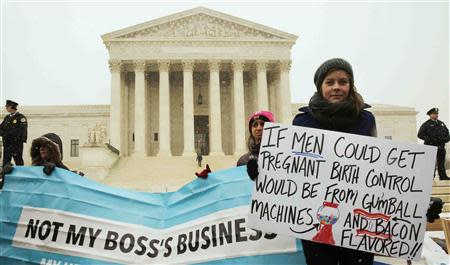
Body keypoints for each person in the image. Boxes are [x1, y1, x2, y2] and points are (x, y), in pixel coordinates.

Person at [246, 58, 443, 265]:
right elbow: (292, 172)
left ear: (351, 85)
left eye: (343, 81)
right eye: (330, 82)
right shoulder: (302, 122)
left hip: (357, 226)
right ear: (320, 86)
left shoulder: (365, 120)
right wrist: (261, 169)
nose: (337, 87)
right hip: (315, 225)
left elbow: (380, 172)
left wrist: (420, 203)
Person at [418, 107, 450, 180]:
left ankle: (443, 176)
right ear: (430, 115)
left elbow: (447, 133)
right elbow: (420, 134)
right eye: (435, 114)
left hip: (441, 146)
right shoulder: (426, 124)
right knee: (430, 163)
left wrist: (446, 139)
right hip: (430, 147)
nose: (436, 115)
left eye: (437, 114)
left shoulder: (441, 124)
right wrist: (429, 140)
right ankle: (430, 177)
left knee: (441, 162)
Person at [0, 100, 27, 166]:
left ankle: (21, 175)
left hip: (16, 145)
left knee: (18, 162)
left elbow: (22, 131)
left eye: (7, 106)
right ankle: (5, 176)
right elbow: (1, 128)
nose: (6, 108)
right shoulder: (7, 117)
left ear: (11, 107)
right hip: (7, 144)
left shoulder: (21, 118)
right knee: (5, 163)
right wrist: (4, 134)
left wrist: (8, 135)